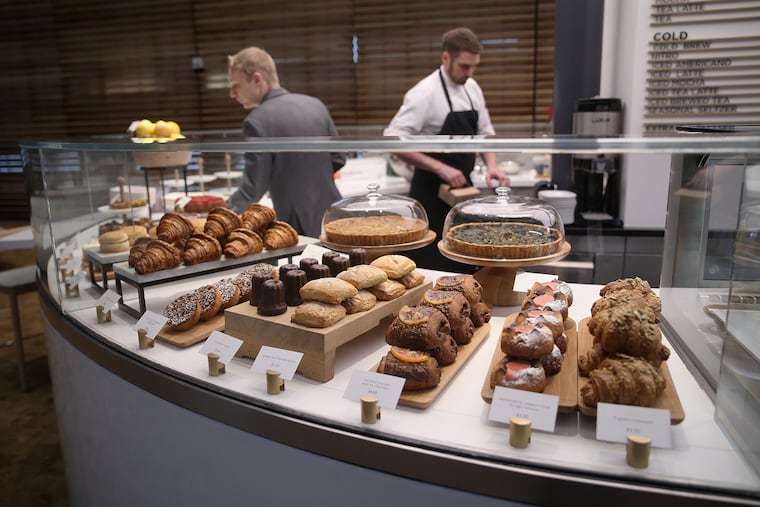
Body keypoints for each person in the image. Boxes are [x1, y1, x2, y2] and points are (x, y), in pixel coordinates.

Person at [384, 27, 510, 270]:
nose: (470, 73)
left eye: (474, 66)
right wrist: (440, 167)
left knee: (462, 258)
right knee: (430, 263)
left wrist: (492, 166)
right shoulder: (424, 93)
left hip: (462, 190)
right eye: (464, 66)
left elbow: (485, 132)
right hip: (429, 192)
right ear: (446, 57)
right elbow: (392, 139)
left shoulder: (473, 88)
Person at [227, 47, 346, 238]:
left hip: (295, 222)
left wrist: (224, 212)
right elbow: (339, 157)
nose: (232, 94)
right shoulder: (316, 104)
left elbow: (254, 187)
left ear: (257, 79)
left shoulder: (256, 121)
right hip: (334, 216)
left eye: (236, 85)